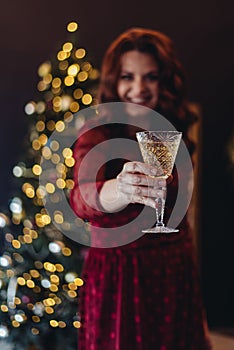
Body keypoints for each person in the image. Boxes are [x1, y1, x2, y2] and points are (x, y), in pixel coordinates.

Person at [70, 27, 212, 349]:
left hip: (173, 265)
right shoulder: (97, 129)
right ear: (113, 81)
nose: (139, 88)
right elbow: (81, 197)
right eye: (127, 76)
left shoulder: (173, 123)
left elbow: (181, 203)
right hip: (121, 274)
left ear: (164, 80)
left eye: (150, 77)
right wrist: (120, 190)